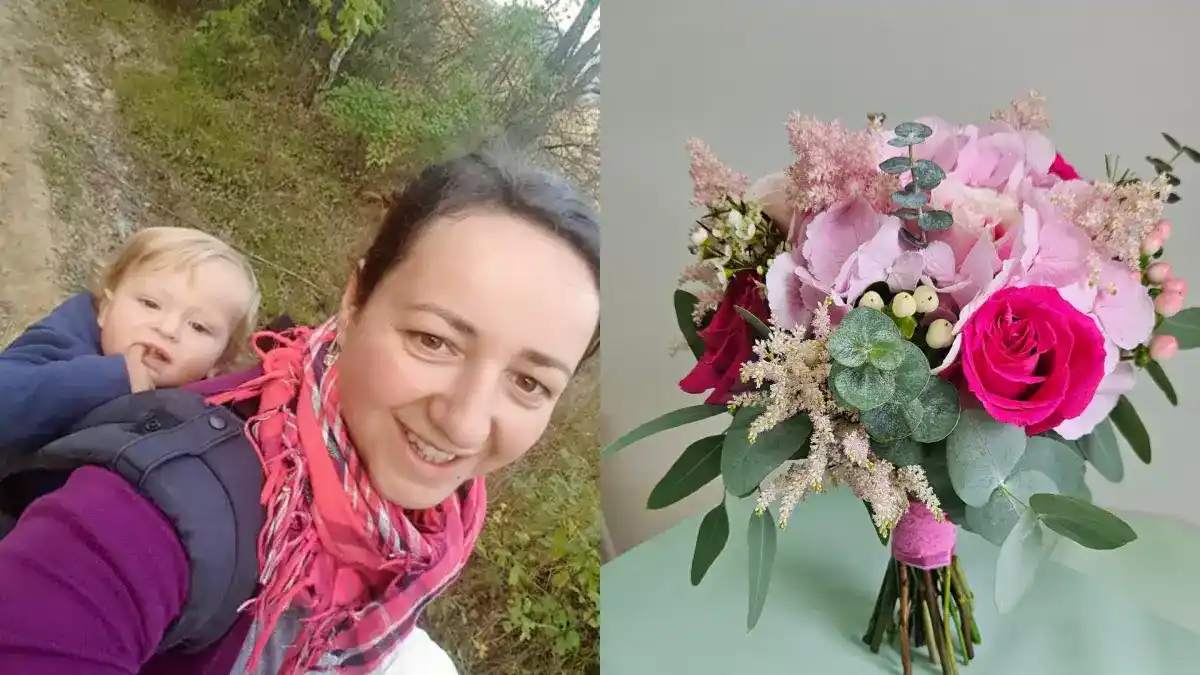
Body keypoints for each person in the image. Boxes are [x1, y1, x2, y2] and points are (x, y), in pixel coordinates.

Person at [0, 149, 601, 675]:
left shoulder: (429, 538)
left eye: (529, 382)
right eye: (433, 340)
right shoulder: (155, 512)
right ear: (355, 300)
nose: (465, 423)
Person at [0, 226, 260, 515]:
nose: (168, 329)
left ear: (219, 363)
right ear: (105, 308)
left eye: (198, 327)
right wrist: (109, 379)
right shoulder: (64, 338)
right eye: (150, 304)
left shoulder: (197, 411)